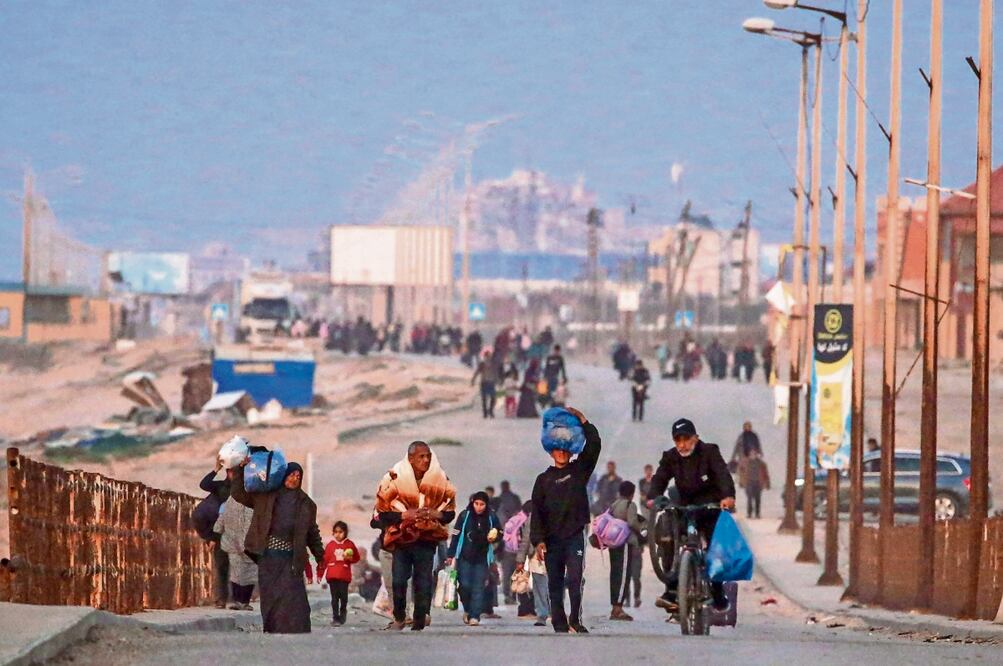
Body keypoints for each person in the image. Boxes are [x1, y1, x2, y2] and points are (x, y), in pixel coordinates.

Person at [645, 418, 736, 613]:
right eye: (678, 440)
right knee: (669, 538)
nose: (682, 444)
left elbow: (722, 474)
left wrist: (727, 496)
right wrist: (653, 497)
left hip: (710, 507)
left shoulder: (709, 452)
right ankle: (671, 589)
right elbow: (660, 477)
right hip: (684, 508)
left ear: (696, 438)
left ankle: (717, 590)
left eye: (686, 439)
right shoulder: (671, 457)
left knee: (715, 549)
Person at [231, 461, 325, 634]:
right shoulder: (266, 496)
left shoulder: (307, 504)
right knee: (271, 596)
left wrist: (320, 557)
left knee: (294, 597)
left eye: (298, 476)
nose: (294, 479)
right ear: (283, 476)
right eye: (291, 475)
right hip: (268, 556)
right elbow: (238, 494)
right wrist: (240, 470)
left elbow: (312, 532)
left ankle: (296, 629)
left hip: (291, 557)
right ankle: (273, 628)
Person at [530, 407, 601, 634]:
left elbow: (594, 446)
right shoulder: (542, 480)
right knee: (555, 583)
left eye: (565, 450)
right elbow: (537, 513)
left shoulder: (579, 470)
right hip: (551, 540)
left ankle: (575, 620)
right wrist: (538, 541)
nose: (561, 453)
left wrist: (584, 420)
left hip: (574, 536)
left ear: (570, 451)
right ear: (551, 451)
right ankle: (559, 622)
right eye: (557, 450)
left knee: (574, 579)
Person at [375, 441, 457, 631]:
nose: (426, 460)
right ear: (410, 458)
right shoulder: (393, 478)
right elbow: (382, 513)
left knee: (423, 580)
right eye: (421, 456)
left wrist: (438, 514)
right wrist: (404, 515)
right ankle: (399, 617)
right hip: (401, 539)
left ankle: (419, 619)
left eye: (428, 455)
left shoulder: (440, 478)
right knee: (398, 580)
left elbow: (450, 511)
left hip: (427, 539)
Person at [446, 491, 501, 626]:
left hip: (482, 558)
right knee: (464, 585)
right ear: (472, 503)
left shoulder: (491, 516)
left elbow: (500, 531)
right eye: (476, 503)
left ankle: (474, 615)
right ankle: (468, 609)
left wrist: (495, 536)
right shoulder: (464, 516)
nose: (479, 507)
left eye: (482, 504)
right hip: (464, 556)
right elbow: (456, 535)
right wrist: (450, 554)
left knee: (478, 587)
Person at [213, 477, 257, 611]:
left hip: (233, 543)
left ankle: (238, 601)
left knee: (237, 572)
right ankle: (244, 601)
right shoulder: (254, 502)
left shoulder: (229, 503)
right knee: (249, 572)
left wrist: (218, 530)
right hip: (249, 544)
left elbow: (219, 524)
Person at [608, 481, 644, 621]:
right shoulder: (630, 505)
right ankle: (618, 609)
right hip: (624, 543)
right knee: (623, 575)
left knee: (615, 574)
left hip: (613, 544)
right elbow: (632, 522)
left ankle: (614, 607)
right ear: (632, 493)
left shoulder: (614, 504)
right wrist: (641, 531)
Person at [199, 457, 232, 608]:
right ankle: (221, 600)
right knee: (222, 567)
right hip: (220, 533)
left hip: (240, 531)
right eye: (231, 471)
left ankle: (240, 599)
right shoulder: (221, 487)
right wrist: (216, 469)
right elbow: (204, 484)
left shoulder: (245, 488)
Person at [515, 500, 549, 626]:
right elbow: (526, 538)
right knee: (539, 586)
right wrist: (520, 559)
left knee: (554, 585)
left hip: (555, 554)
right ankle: (542, 615)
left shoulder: (561, 510)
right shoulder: (534, 515)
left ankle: (554, 612)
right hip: (536, 556)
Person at [322, 521, 361, 626]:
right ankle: (335, 618)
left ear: (345, 532)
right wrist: (320, 576)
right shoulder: (330, 545)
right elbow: (325, 560)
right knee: (334, 598)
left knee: (343, 597)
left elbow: (356, 558)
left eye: (340, 532)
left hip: (343, 575)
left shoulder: (349, 544)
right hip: (332, 575)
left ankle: (343, 614)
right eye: (335, 532)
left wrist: (349, 558)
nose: (338, 534)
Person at [495, 481, 522, 604]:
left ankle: (508, 595)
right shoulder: (515, 499)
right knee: (515, 571)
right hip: (516, 546)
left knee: (507, 572)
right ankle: (513, 595)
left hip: (506, 546)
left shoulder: (499, 500)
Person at [730, 421, 763, 488]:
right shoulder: (741, 436)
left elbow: (757, 445)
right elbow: (737, 446)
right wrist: (733, 456)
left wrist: (759, 452)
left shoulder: (754, 436)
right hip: (743, 455)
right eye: (746, 426)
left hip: (752, 455)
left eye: (749, 426)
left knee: (752, 469)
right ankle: (742, 483)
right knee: (742, 470)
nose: (748, 428)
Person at [471, 351, 500, 419]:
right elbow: (477, 372)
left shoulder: (493, 364)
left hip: (491, 382)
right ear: (485, 357)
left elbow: (495, 373)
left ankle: (490, 410)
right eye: (487, 356)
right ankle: (485, 413)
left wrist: (497, 380)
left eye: (489, 356)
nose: (488, 358)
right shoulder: (482, 364)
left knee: (493, 398)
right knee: (484, 399)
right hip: (484, 382)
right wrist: (473, 380)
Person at [744, 450, 771, 519]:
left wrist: (767, 483)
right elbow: (741, 473)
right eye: (751, 454)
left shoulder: (761, 464)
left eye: (754, 454)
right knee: (749, 499)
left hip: (758, 483)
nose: (753, 455)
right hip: (749, 483)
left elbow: (765, 473)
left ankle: (757, 513)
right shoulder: (746, 463)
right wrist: (743, 482)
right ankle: (749, 513)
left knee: (757, 499)